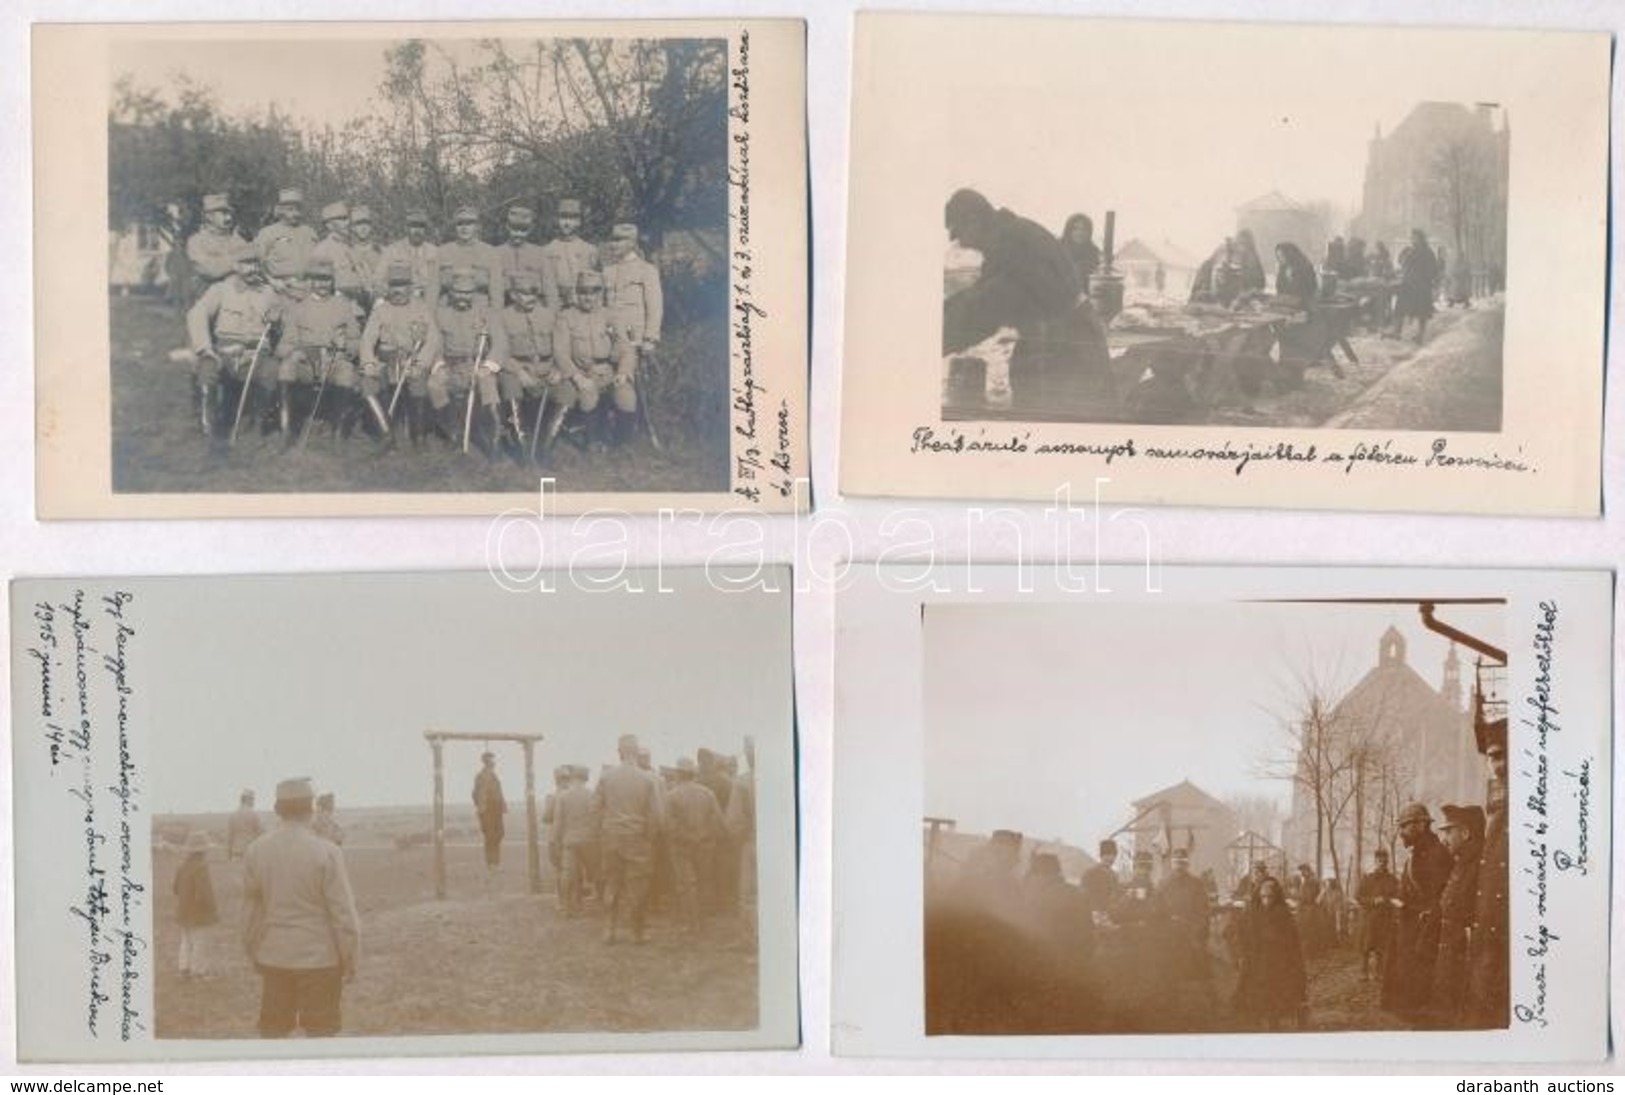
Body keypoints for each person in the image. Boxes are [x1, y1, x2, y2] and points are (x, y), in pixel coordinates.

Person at [241, 777, 361, 1039]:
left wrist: (252, 951)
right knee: (321, 1036)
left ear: (277, 809)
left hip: (274, 957)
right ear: (311, 808)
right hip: (320, 960)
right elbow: (344, 916)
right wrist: (350, 957)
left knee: (273, 1036)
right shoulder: (327, 851)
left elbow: (250, 912)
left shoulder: (255, 850)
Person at [941, 188, 1079, 372]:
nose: (963, 244)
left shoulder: (1009, 242)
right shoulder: (1011, 233)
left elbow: (984, 308)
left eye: (959, 233)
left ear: (974, 221)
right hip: (1063, 340)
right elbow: (984, 291)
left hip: (1071, 347)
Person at [185, 243, 282, 446]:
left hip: (257, 352)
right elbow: (197, 314)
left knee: (271, 371)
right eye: (247, 263)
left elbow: (285, 320)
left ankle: (257, 425)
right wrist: (205, 348)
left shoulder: (268, 292)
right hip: (225, 350)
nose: (253, 268)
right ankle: (209, 426)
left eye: (256, 263)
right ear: (236, 265)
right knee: (208, 368)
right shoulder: (221, 289)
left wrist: (278, 316)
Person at [276, 256, 367, 442]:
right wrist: (294, 353)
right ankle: (287, 430)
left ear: (332, 281)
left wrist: (347, 348)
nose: (322, 284)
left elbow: (356, 339)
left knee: (347, 372)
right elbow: (283, 345)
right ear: (310, 281)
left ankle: (338, 432)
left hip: (334, 361)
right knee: (286, 369)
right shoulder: (298, 308)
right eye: (318, 279)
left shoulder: (343, 307)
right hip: (306, 364)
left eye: (326, 279)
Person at [554, 270, 638, 452]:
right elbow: (560, 352)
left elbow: (626, 348)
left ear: (600, 293)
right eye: (583, 292)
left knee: (626, 396)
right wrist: (577, 378)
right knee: (588, 396)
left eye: (594, 292)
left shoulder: (611, 315)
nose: (588, 297)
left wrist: (624, 372)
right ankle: (592, 441)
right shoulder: (566, 316)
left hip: (609, 371)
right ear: (577, 292)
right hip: (583, 372)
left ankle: (621, 444)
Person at [360, 260, 441, 447]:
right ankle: (385, 432)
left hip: (412, 360)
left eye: (402, 286)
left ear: (410, 287)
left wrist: (421, 363)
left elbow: (433, 339)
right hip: (386, 359)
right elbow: (367, 339)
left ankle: (418, 436)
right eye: (394, 286)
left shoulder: (421, 309)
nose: (398, 290)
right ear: (387, 287)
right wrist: (369, 363)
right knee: (368, 383)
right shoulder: (380, 310)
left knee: (418, 382)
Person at [1382, 802, 1452, 1017]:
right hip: (1410, 926)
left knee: (1420, 978)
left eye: (1405, 826)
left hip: (1424, 931)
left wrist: (1409, 907)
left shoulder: (1437, 853)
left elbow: (1438, 900)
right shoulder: (1418, 853)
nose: (1401, 832)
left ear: (1421, 825)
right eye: (1401, 827)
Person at [594, 733, 665, 944]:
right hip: (638, 838)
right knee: (638, 886)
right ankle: (637, 932)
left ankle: (609, 930)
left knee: (612, 883)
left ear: (619, 752)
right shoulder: (648, 778)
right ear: (637, 752)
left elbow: (594, 807)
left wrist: (606, 828)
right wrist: (648, 838)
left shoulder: (606, 777)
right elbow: (657, 815)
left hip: (612, 837)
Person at [432, 269, 508, 456]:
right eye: (458, 292)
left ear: (473, 294)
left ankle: (493, 439)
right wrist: (438, 364)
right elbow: (434, 344)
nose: (462, 296)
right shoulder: (440, 314)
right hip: (450, 365)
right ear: (450, 293)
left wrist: (488, 366)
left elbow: (501, 343)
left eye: (467, 293)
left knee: (488, 386)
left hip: (477, 365)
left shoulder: (487, 314)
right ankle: (453, 432)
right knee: (434, 385)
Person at [1468, 723, 1510, 1028]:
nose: (1499, 765)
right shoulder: (1498, 806)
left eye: (1504, 756)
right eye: (1494, 758)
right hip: (1489, 923)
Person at [497, 268, 564, 458]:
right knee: (510, 384)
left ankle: (546, 445)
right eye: (525, 293)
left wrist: (558, 368)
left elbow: (561, 347)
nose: (531, 298)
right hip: (519, 367)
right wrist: (519, 371)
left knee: (566, 389)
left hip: (547, 367)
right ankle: (523, 447)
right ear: (513, 295)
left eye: (534, 293)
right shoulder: (502, 317)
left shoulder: (550, 315)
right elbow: (499, 352)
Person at [1430, 803, 1485, 1028]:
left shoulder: (1479, 865)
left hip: (1465, 956)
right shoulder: (1462, 862)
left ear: (1465, 833)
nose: (1444, 839)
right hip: (1451, 952)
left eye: (1449, 832)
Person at [1233, 877, 1306, 1031]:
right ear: (1258, 894)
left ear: (1276, 895)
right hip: (1256, 958)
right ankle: (1256, 1020)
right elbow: (1240, 933)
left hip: (1278, 960)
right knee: (1254, 991)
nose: (1267, 899)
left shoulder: (1283, 913)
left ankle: (1275, 1021)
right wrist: (1241, 953)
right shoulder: (1251, 911)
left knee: (1276, 992)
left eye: (1270, 896)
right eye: (1264, 896)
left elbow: (1293, 940)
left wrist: (1292, 959)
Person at [664, 756, 725, 932]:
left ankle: (692, 922)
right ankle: (702, 920)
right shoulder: (707, 793)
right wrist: (708, 837)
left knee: (686, 884)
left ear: (679, 773)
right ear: (693, 773)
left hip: (681, 845)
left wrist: (683, 836)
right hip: (705, 844)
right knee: (704, 881)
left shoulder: (671, 795)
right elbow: (718, 820)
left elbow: (668, 824)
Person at [604, 222, 664, 352]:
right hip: (611, 336)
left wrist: (650, 338)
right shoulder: (607, 271)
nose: (613, 245)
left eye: (618, 240)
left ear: (631, 243)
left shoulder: (647, 270)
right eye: (612, 240)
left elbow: (655, 307)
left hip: (635, 337)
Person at [551, 765, 600, 916]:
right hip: (589, 840)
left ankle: (568, 907)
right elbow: (596, 818)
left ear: (573, 777)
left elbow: (558, 822)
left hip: (570, 840)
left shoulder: (563, 796)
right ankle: (602, 904)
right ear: (586, 778)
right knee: (596, 873)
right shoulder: (592, 795)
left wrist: (555, 840)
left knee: (569, 874)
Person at [436, 205, 504, 308]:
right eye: (460, 224)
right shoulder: (442, 252)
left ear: (477, 227)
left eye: (469, 224)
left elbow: (496, 292)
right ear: (455, 227)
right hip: (448, 310)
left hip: (480, 312)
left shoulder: (490, 252)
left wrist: (494, 317)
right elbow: (433, 289)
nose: (464, 228)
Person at [540, 197, 600, 311]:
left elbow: (596, 284)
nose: (567, 223)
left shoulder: (589, 250)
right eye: (563, 217)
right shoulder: (547, 250)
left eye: (572, 218)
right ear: (557, 220)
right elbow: (545, 285)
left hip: (583, 306)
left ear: (579, 221)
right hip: (556, 306)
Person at [173, 830, 218, 979]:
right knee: (200, 942)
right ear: (203, 851)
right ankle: (199, 971)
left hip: (183, 910)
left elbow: (175, 888)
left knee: (186, 940)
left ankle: (183, 968)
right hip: (199, 912)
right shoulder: (202, 867)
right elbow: (205, 892)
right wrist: (212, 907)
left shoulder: (182, 866)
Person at [253, 187, 318, 288]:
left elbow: (319, 262)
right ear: (280, 211)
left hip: (308, 287)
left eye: (298, 209)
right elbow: (256, 264)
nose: (296, 213)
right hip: (280, 288)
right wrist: (271, 281)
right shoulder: (267, 233)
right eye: (290, 209)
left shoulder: (310, 232)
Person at [310, 202, 369, 307]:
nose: (347, 223)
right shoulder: (322, 250)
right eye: (341, 219)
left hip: (359, 308)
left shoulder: (352, 247)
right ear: (329, 225)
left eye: (347, 218)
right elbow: (317, 288)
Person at [1390, 229, 1439, 343]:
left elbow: (1434, 269)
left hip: (1421, 286)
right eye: (1412, 237)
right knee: (1400, 307)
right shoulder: (1410, 250)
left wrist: (1427, 278)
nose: (1412, 239)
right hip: (1408, 284)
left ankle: (1420, 335)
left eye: (1414, 237)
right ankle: (1397, 331)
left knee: (1422, 311)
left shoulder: (1427, 252)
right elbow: (1402, 262)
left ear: (1421, 238)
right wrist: (1404, 257)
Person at [1355, 848, 1398, 980]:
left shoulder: (1392, 880)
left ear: (1387, 862)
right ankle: (1363, 971)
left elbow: (1397, 896)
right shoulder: (1367, 879)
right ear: (1375, 861)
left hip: (1385, 917)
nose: (1382, 863)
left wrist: (1391, 902)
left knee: (1382, 946)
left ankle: (1379, 972)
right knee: (1366, 946)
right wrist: (1373, 900)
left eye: (1384, 861)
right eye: (1379, 860)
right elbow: (1358, 896)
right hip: (1369, 917)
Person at [185, 193, 240, 296]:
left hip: (236, 297)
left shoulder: (238, 240)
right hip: (205, 295)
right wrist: (235, 264)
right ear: (209, 216)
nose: (229, 218)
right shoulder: (196, 241)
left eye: (229, 213)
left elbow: (251, 263)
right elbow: (210, 270)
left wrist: (221, 263)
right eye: (223, 213)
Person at [498, 204, 553, 306]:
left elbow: (550, 291)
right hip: (506, 309)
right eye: (514, 229)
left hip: (534, 308)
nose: (518, 234)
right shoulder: (496, 253)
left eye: (523, 230)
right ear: (507, 226)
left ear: (530, 229)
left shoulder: (540, 254)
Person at [380, 208, 438, 300]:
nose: (417, 231)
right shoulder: (392, 250)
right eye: (413, 226)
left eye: (421, 227)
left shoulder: (435, 251)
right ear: (406, 228)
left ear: (425, 229)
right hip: (400, 300)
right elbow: (378, 279)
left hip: (427, 300)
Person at [472, 752, 507, 876]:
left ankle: (494, 863)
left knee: (499, 834)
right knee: (491, 837)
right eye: (491, 760)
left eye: (493, 760)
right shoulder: (481, 776)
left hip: (496, 810)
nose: (493, 762)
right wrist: (482, 808)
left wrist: (503, 805)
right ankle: (492, 864)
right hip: (487, 810)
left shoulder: (493, 775)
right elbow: (476, 794)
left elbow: (499, 791)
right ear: (486, 762)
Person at [347, 205, 383, 309]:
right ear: (353, 228)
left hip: (377, 300)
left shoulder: (381, 251)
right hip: (355, 302)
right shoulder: (347, 251)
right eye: (358, 224)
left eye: (366, 223)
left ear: (371, 226)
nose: (363, 228)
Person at [1080, 838, 1121, 924]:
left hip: (1111, 915)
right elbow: (1084, 897)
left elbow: (1115, 896)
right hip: (1094, 916)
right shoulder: (1090, 874)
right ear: (1101, 856)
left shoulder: (1114, 875)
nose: (1111, 858)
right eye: (1107, 855)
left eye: (1113, 855)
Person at [1058, 213, 1101, 290]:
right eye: (1075, 229)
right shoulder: (1058, 249)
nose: (1080, 233)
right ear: (1068, 230)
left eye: (1084, 229)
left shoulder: (1093, 251)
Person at [1273, 243, 1319, 310]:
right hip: (1287, 303)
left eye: (1282, 256)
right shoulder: (1283, 268)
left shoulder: (1304, 267)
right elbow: (1279, 288)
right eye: (1278, 257)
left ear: (1289, 255)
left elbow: (1307, 291)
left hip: (1302, 305)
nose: (1280, 260)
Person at [227, 789, 263, 861]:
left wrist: (229, 853)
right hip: (250, 851)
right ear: (247, 799)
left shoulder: (233, 815)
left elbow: (229, 836)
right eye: (252, 799)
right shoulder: (254, 814)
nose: (253, 801)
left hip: (236, 852)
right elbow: (260, 833)